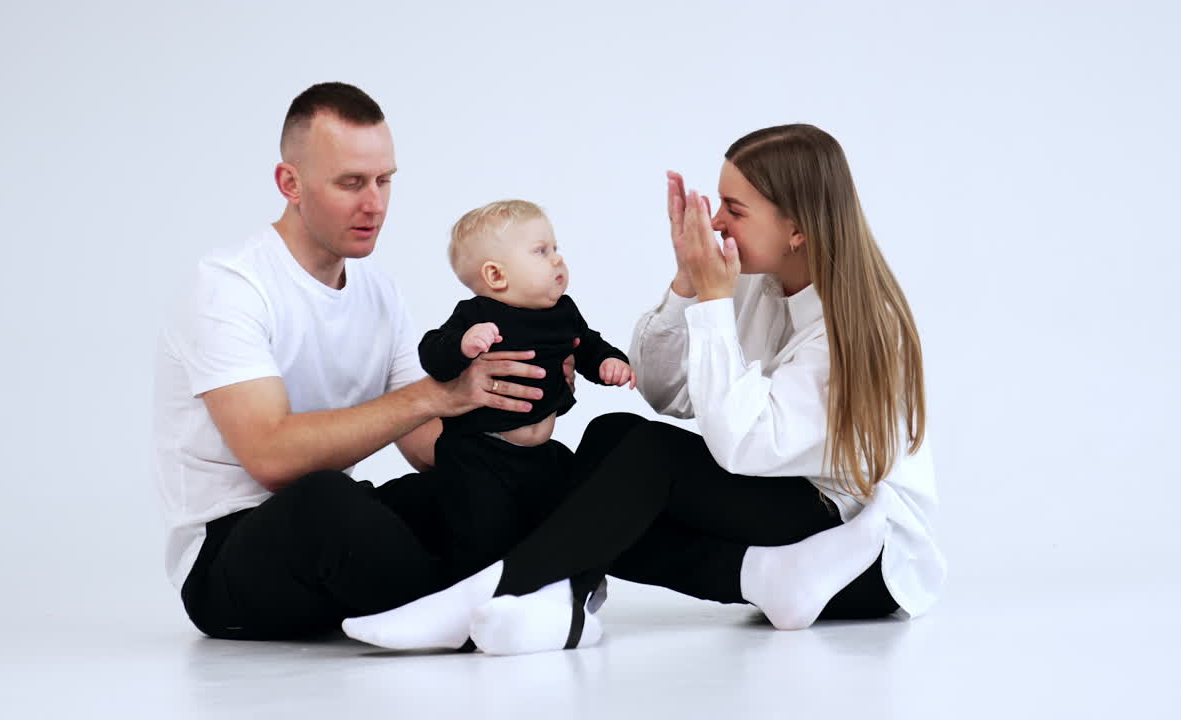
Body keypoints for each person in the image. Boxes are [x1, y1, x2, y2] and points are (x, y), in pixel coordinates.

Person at [342, 124, 946, 656]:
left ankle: (500, 592)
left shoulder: (858, 327)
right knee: (606, 451)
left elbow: (745, 448)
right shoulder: (759, 288)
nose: (714, 223)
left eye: (735, 210)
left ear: (796, 229)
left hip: (861, 558)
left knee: (642, 466)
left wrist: (712, 304)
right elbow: (664, 392)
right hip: (796, 544)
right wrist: (688, 284)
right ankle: (760, 578)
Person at [152, 82, 570, 640]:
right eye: (351, 183)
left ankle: (494, 603)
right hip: (230, 561)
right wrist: (437, 394)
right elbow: (271, 458)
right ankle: (481, 612)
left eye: (384, 180)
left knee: (492, 483)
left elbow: (426, 448)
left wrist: (519, 417)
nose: (374, 203)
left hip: (339, 539)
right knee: (324, 498)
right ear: (290, 183)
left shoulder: (378, 291)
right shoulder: (229, 285)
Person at [421, 199, 634, 584]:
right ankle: (467, 595)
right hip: (478, 453)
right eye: (541, 251)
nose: (557, 259)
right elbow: (432, 353)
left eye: (555, 248)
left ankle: (555, 588)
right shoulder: (476, 315)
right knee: (482, 534)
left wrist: (607, 363)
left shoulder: (563, 312)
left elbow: (586, 344)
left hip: (537, 454)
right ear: (496, 275)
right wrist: (463, 344)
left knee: (552, 518)